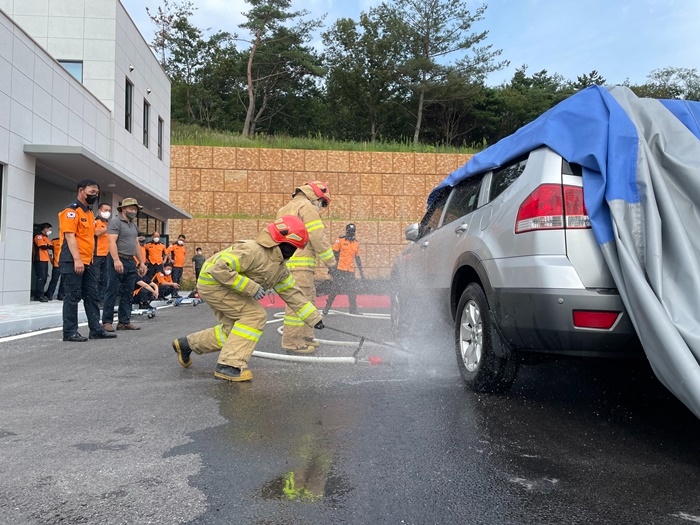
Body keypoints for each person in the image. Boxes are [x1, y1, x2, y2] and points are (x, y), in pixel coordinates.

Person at [172, 216, 325, 382]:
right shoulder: (253, 251)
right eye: (293, 247)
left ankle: (187, 344)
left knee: (235, 331)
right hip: (213, 283)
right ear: (282, 242)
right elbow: (219, 269)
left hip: (227, 286)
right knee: (255, 316)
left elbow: (292, 294)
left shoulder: (279, 267)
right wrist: (251, 287)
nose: (293, 251)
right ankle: (229, 365)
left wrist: (314, 318)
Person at [276, 181, 336, 354]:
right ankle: (293, 343)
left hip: (287, 263)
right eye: (323, 202)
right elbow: (317, 236)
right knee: (299, 303)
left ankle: (306, 336)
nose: (321, 206)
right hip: (300, 265)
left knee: (307, 300)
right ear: (317, 195)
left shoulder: (285, 208)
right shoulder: (307, 207)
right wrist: (331, 264)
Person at [58, 179, 116, 342]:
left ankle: (96, 329)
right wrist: (77, 259)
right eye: (91, 192)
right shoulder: (71, 211)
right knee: (72, 296)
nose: (94, 195)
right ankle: (69, 332)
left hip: (88, 261)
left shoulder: (89, 213)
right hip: (73, 260)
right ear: (81, 191)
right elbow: (70, 237)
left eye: (97, 193)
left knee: (92, 295)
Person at [101, 198, 148, 332]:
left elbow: (136, 244)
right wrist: (116, 260)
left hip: (130, 260)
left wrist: (142, 262)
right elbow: (111, 242)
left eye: (135, 209)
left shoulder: (133, 225)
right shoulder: (115, 222)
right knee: (112, 291)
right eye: (131, 209)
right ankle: (107, 321)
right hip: (117, 259)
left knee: (128, 292)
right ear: (123, 209)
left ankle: (124, 321)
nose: (133, 211)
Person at [323, 223, 365, 315]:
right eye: (350, 232)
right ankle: (327, 308)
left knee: (352, 290)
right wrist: (331, 268)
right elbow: (334, 254)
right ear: (346, 231)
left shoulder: (356, 243)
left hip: (350, 271)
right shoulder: (340, 240)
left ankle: (353, 309)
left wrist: (361, 272)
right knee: (334, 289)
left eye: (353, 232)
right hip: (340, 270)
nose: (351, 234)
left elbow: (358, 259)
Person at [93, 202, 112, 306]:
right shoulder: (95, 222)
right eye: (105, 210)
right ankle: (94, 299)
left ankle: (102, 299)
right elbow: (96, 233)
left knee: (105, 279)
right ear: (99, 211)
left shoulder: (109, 223)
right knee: (95, 278)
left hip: (107, 255)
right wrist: (107, 229)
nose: (107, 212)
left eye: (109, 211)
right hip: (96, 255)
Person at [32, 223, 53, 302]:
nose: (50, 231)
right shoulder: (38, 236)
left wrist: (47, 245)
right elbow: (43, 246)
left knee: (44, 277)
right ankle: (38, 295)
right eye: (49, 229)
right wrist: (47, 245)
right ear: (45, 228)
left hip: (45, 259)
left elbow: (51, 246)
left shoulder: (45, 237)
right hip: (39, 259)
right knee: (41, 278)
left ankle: (40, 294)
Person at [45, 236, 65, 300]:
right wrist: (51, 259)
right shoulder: (54, 241)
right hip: (56, 264)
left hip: (65, 264)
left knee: (63, 281)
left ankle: (61, 295)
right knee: (54, 280)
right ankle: (49, 294)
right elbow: (46, 249)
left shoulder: (69, 240)